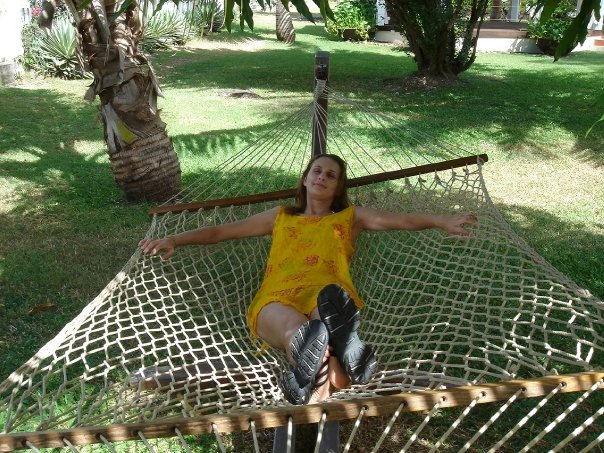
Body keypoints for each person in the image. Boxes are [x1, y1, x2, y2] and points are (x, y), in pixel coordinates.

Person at [139, 154, 478, 405]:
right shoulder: (280, 217)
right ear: (304, 179)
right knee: (301, 333)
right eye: (317, 171)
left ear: (338, 187)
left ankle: (311, 380)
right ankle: (341, 366)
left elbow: (402, 220)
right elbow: (221, 232)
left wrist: (440, 220)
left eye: (331, 175)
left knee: (317, 327)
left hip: (327, 298)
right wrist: (175, 239)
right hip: (277, 299)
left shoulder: (350, 218)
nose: (322, 177)